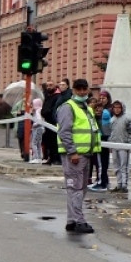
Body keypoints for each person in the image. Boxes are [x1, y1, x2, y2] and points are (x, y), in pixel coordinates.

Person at [56, 78, 100, 234]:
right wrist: (72, 151)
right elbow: (64, 132)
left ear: (88, 89)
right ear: (73, 90)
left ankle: (72, 220)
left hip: (85, 154)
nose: (82, 92)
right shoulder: (68, 107)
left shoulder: (86, 108)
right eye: (79, 89)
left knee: (79, 188)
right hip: (75, 155)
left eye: (84, 89)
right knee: (75, 188)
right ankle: (80, 221)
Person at [41, 78, 70, 165]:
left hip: (54, 122)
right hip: (47, 122)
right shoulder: (47, 96)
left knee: (55, 141)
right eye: (47, 86)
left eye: (51, 85)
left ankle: (57, 158)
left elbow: (54, 109)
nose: (49, 87)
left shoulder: (58, 96)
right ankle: (50, 158)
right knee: (48, 141)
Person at [89, 90, 112, 191]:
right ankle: (103, 180)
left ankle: (101, 182)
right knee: (101, 162)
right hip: (101, 139)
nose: (102, 100)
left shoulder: (106, 112)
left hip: (102, 139)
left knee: (101, 163)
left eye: (104, 98)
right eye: (100, 98)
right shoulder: (98, 115)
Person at [108, 100, 131, 194]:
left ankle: (124, 185)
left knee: (123, 166)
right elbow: (111, 132)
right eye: (115, 108)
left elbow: (130, 131)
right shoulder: (112, 119)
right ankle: (119, 184)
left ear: (122, 108)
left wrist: (128, 142)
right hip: (114, 146)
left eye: (119, 108)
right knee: (116, 166)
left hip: (123, 145)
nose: (117, 110)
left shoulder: (126, 119)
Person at [28, 97, 45, 164]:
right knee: (38, 143)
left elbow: (39, 121)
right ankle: (39, 157)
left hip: (37, 128)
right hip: (41, 128)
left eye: (33, 104)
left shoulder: (38, 111)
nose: (32, 105)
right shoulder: (40, 110)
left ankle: (36, 157)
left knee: (34, 143)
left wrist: (33, 125)